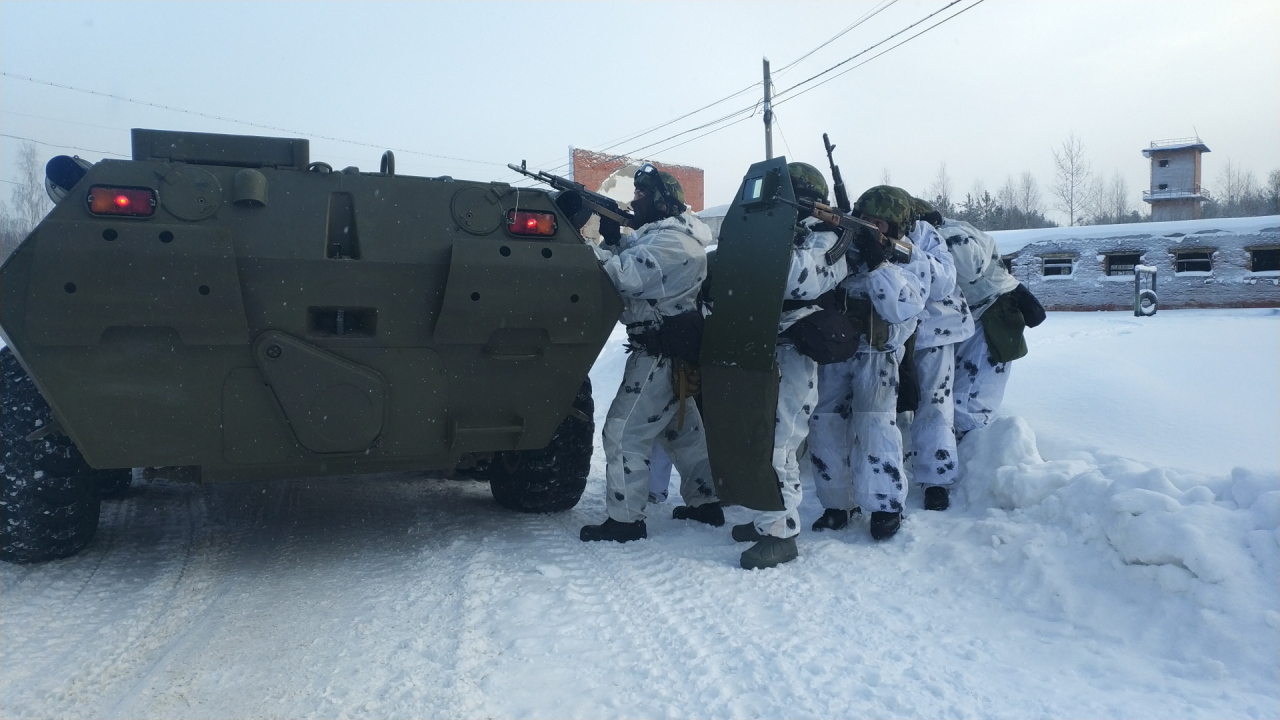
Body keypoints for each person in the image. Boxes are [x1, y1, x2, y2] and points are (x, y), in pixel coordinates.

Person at [580, 164, 721, 543]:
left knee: (622, 433)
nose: (632, 202)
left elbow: (625, 276)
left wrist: (592, 248)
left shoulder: (673, 243)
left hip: (658, 353)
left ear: (660, 202)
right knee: (683, 433)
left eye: (641, 196)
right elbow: (634, 257)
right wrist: (613, 238)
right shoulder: (666, 237)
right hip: (667, 350)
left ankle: (626, 520)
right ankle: (706, 501)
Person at [729, 162, 848, 569]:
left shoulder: (830, 238)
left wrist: (775, 238)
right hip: (758, 347)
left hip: (793, 355)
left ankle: (781, 532)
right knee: (754, 439)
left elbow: (800, 279)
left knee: (777, 442)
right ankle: (765, 516)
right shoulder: (783, 233)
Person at [807, 186, 926, 541]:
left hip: (878, 353)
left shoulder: (908, 257)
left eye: (880, 224)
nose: (872, 228)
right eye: (866, 220)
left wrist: (878, 263)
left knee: (875, 428)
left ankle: (885, 505)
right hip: (836, 350)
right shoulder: (841, 244)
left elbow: (901, 307)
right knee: (825, 423)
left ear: (896, 229)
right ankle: (836, 503)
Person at [900, 198, 974, 512]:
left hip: (935, 329)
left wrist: (902, 250)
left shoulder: (926, 234)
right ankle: (885, 480)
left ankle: (936, 481)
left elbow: (943, 281)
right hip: (890, 332)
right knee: (883, 408)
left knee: (934, 404)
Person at [937, 219, 1025, 442]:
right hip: (981, 313)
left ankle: (973, 454)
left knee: (971, 396)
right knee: (965, 388)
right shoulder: (959, 228)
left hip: (991, 315)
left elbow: (971, 267)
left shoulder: (953, 234)